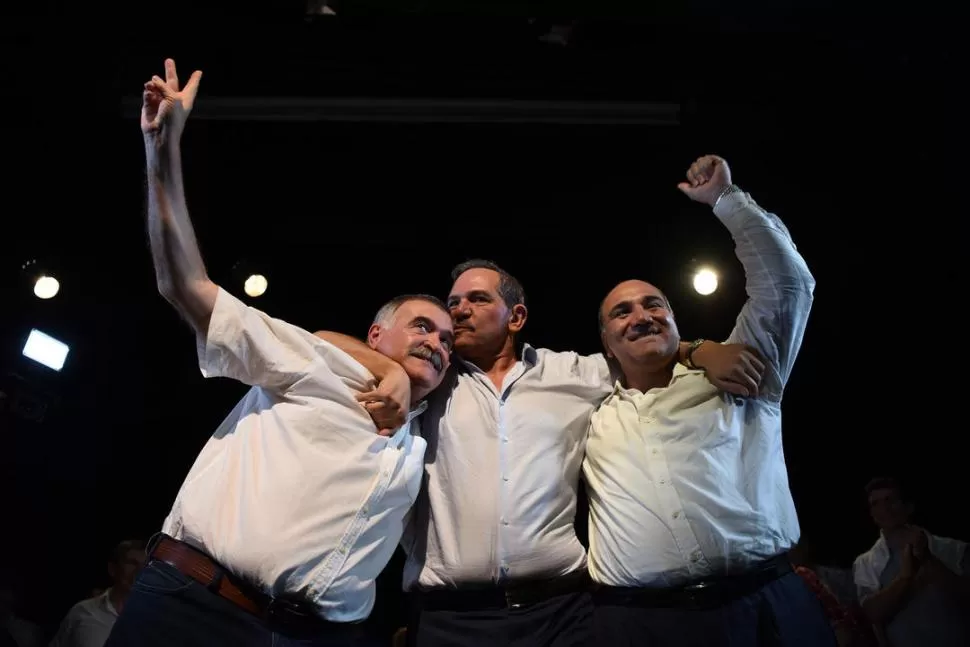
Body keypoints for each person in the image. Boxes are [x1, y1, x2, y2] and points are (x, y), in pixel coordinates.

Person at [105, 59, 454, 647]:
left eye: (447, 338)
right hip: (197, 610)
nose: (437, 344)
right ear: (375, 336)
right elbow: (186, 286)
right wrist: (161, 148)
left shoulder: (430, 431)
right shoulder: (324, 363)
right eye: (423, 327)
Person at [316, 254, 762, 646]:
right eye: (453, 304)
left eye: (477, 300)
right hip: (450, 617)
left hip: (561, 614)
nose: (459, 311)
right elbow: (322, 341)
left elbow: (641, 349)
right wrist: (387, 372)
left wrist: (699, 350)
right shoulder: (428, 377)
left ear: (516, 316)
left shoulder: (573, 373)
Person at [584, 154, 833, 646]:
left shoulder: (743, 370)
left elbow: (788, 284)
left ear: (675, 320)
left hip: (766, 604)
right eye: (622, 312)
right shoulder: (587, 409)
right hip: (642, 624)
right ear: (607, 344)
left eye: (655, 304)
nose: (641, 315)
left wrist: (726, 200)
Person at [852, 477, 969, 647]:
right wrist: (905, 578)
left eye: (890, 500)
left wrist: (927, 559)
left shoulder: (953, 549)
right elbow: (872, 614)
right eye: (875, 503)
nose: (884, 508)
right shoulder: (865, 564)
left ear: (908, 506)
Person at [49, 541, 146, 647]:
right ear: (112, 569)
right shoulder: (83, 611)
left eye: (145, 565)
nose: (140, 571)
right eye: (132, 563)